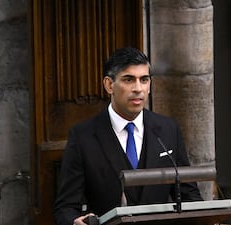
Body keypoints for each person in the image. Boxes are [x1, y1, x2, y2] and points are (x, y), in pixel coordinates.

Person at [53, 47, 202, 225]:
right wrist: (74, 222)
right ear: (109, 85)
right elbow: (66, 207)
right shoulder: (82, 136)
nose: (138, 88)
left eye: (144, 80)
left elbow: (190, 195)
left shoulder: (168, 129)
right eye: (128, 80)